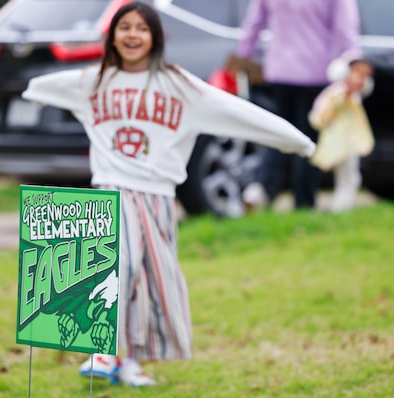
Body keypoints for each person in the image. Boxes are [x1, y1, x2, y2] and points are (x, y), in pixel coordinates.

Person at [22, 2, 316, 387]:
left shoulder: (180, 87)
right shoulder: (93, 82)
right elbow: (50, 85)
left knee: (148, 280)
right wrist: (35, 93)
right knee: (119, 264)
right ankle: (101, 348)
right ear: (111, 36)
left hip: (159, 196)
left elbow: (240, 113)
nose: (132, 35)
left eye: (141, 28)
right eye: (123, 27)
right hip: (112, 189)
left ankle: (131, 362)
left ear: (156, 38)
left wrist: (298, 143)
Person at [230, 0, 361, 210]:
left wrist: (243, 57)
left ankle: (262, 189)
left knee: (279, 133)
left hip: (279, 71)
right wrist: (352, 63)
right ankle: (304, 202)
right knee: (308, 140)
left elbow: (253, 23)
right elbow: (345, 29)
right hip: (316, 72)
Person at [309, 54, 374, 212]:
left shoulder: (354, 95)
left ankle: (341, 209)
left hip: (348, 142)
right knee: (349, 178)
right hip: (340, 142)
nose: (362, 79)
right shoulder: (337, 93)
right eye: (358, 73)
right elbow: (318, 117)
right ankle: (340, 210)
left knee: (350, 177)